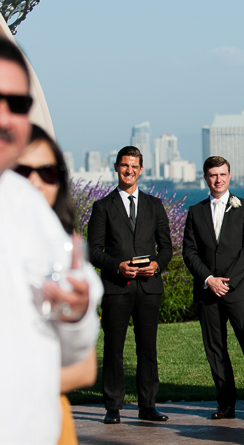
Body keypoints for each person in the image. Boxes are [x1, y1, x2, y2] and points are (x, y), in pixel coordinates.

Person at [0, 33, 101, 445]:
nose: (1, 117)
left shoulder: (30, 213)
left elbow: (75, 352)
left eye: (17, 104)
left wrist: (74, 311)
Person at [14, 125, 96, 445]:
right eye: (21, 171)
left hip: (41, 428)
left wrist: (74, 314)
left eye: (47, 172)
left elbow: (82, 370)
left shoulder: (69, 261)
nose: (34, 182)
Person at [182, 156, 244, 420]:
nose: (219, 179)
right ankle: (226, 404)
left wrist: (228, 282)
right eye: (213, 175)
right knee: (215, 349)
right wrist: (209, 279)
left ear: (230, 176)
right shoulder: (195, 211)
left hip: (237, 291)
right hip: (207, 291)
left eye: (223, 174)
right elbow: (189, 252)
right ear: (205, 177)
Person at [88, 146, 173, 424]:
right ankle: (113, 406)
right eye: (125, 165)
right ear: (116, 167)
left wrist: (157, 265)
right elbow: (93, 250)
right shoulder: (102, 207)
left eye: (134, 166)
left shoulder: (154, 205)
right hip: (117, 287)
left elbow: (167, 248)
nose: (129, 170)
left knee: (147, 348)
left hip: (149, 288)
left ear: (141, 169)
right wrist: (117, 266)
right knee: (114, 347)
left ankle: (148, 405)